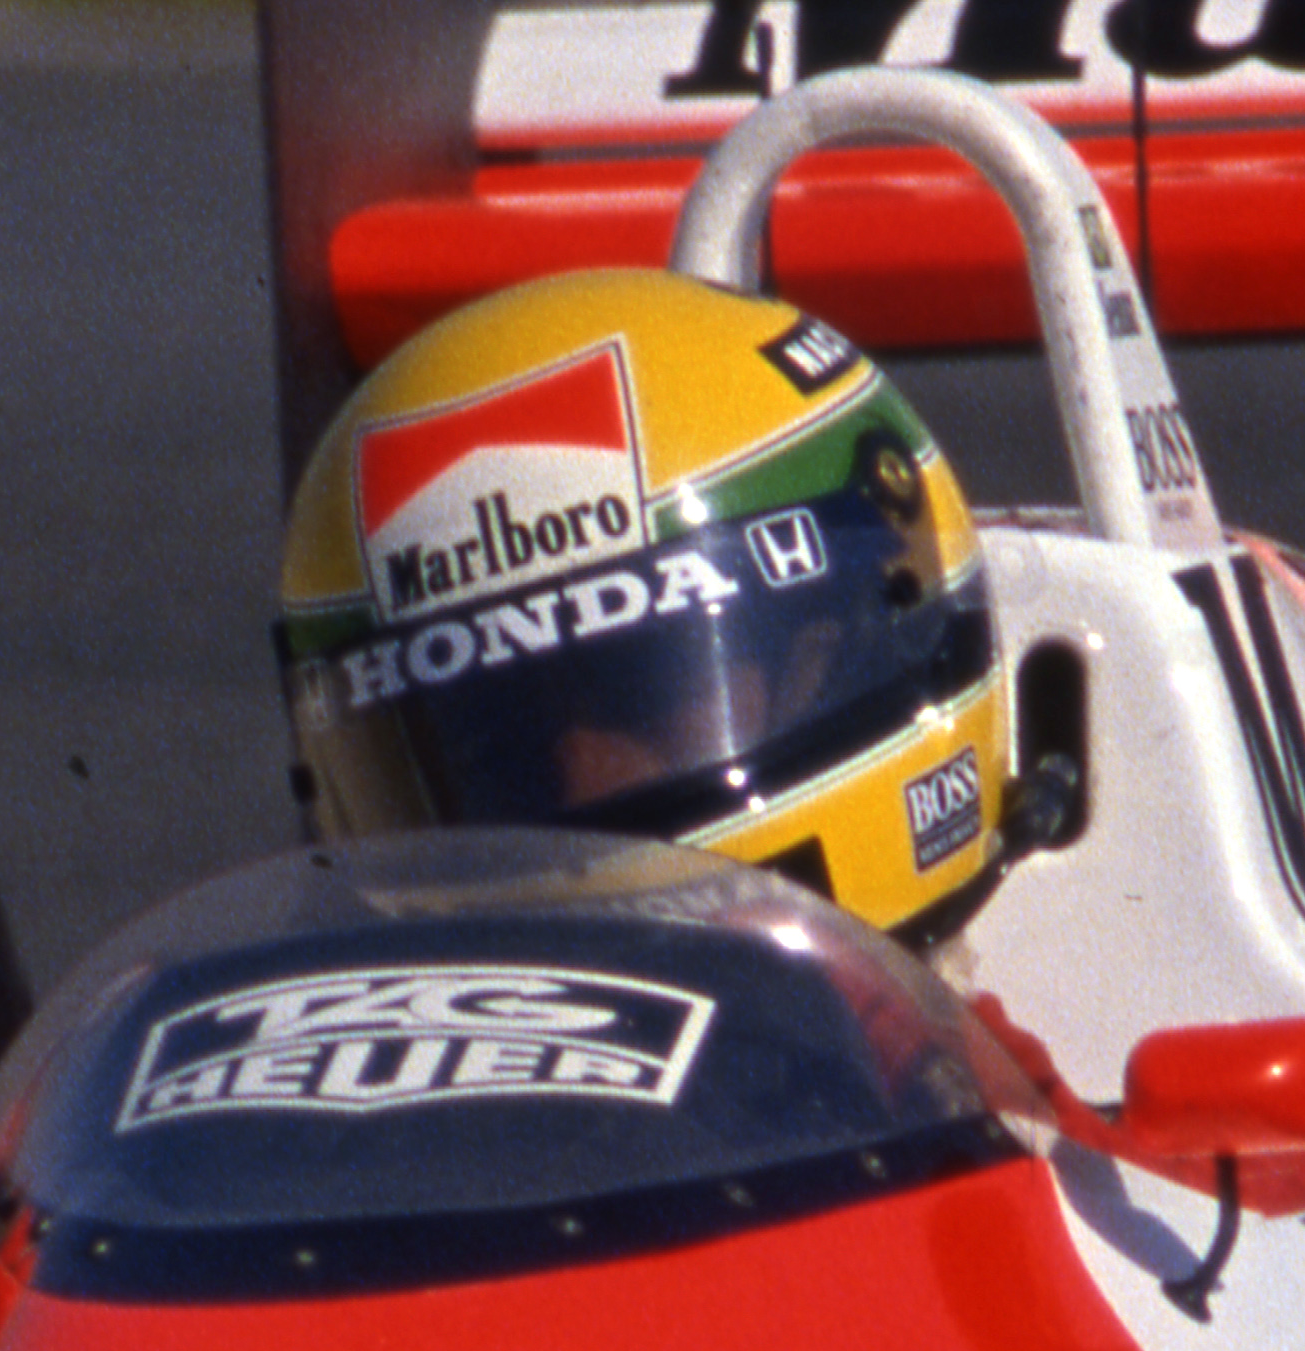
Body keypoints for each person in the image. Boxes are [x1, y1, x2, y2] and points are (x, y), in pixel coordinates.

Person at [273, 268, 1017, 940]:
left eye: (640, 688)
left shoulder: (1023, 1092)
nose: (585, 781)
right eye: (491, 743)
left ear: (840, 650)